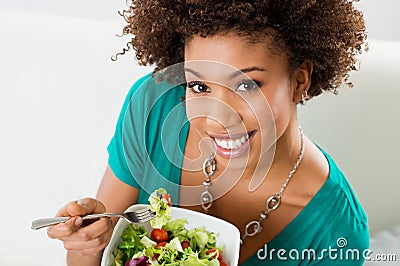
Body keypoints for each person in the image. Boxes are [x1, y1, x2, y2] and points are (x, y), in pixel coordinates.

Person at [47, 0, 370, 265]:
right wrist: (85, 242)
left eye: (246, 85)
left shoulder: (336, 233)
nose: (217, 120)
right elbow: (98, 251)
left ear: (299, 81)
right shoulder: (154, 108)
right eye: (199, 86)